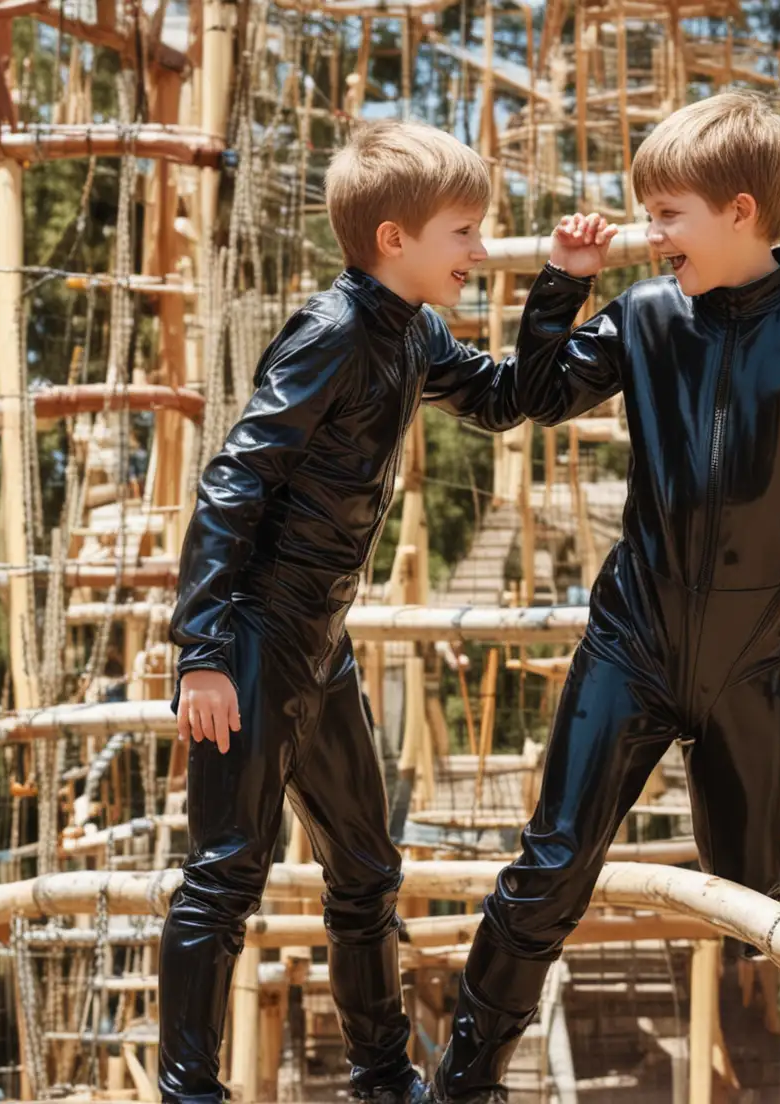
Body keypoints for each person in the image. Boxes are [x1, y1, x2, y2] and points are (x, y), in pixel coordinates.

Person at [430, 92, 780, 1102]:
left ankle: (772, 1084)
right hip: (634, 644)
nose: (649, 236)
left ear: (741, 210)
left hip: (754, 660)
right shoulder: (644, 316)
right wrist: (559, 288)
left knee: (755, 904)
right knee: (548, 871)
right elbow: (532, 399)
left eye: (668, 215)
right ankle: (463, 1082)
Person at [161, 119, 616, 1104]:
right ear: (394, 241)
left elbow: (507, 399)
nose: (479, 248)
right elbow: (233, 482)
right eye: (463, 231)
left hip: (318, 646)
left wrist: (562, 283)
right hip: (250, 638)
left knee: (365, 865)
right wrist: (201, 650)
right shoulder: (331, 332)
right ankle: (189, 1093)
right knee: (228, 873)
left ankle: (381, 1078)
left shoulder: (413, 331)